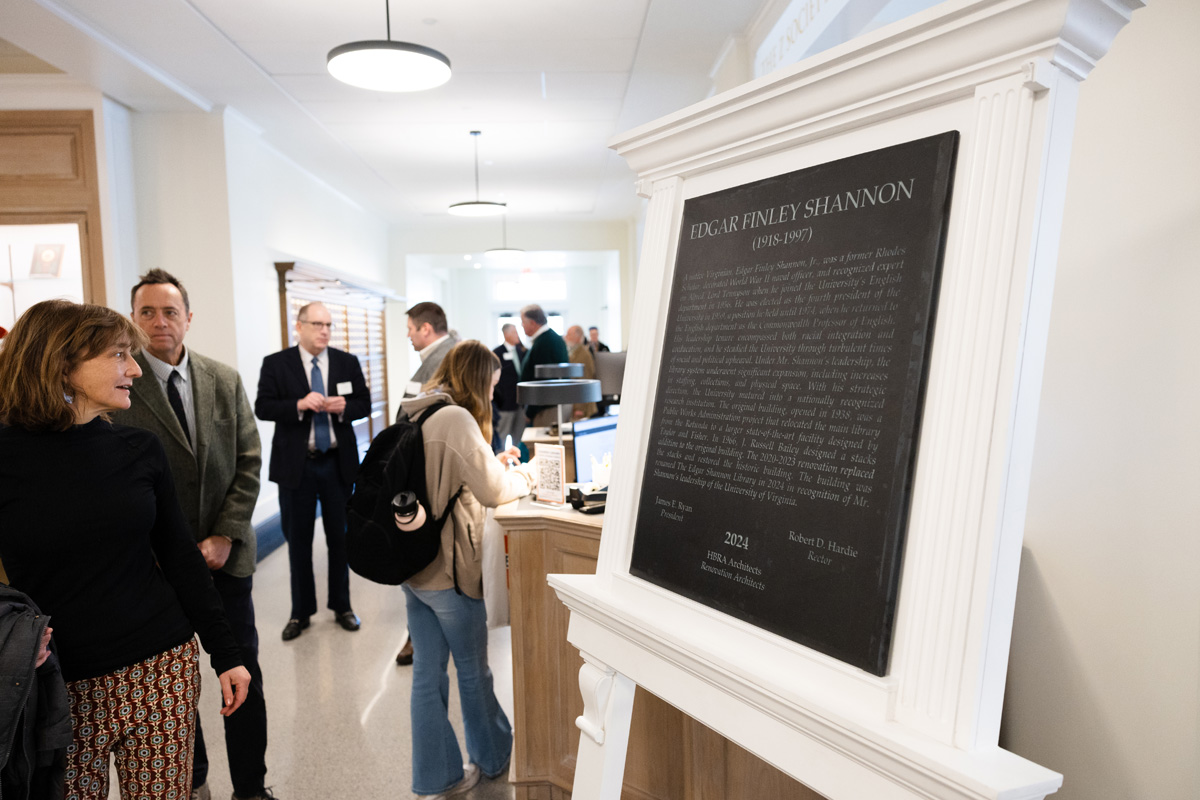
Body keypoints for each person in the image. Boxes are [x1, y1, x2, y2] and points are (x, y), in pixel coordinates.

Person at [0, 299, 251, 800]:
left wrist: (226, 653)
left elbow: (180, 558)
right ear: (62, 363)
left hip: (160, 667)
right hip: (56, 683)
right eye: (119, 355)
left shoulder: (138, 449)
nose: (135, 368)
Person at [113, 269, 274, 800]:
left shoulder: (222, 379)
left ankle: (251, 787)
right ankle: (194, 782)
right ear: (133, 319)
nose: (160, 322)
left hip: (226, 561)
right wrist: (166, 551)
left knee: (242, 670)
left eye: (170, 311)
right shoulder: (120, 387)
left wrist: (227, 534)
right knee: (177, 684)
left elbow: (249, 461)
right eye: (147, 312)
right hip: (156, 569)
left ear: (188, 317)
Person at [399, 341, 535, 798]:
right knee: (474, 670)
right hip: (450, 573)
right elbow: (497, 493)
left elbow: (447, 477)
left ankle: (437, 777)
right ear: (479, 380)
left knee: (427, 674)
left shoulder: (419, 407)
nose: (494, 395)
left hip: (415, 570)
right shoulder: (457, 417)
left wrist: (487, 466)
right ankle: (494, 759)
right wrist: (529, 476)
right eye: (493, 386)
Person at [255, 301, 370, 641]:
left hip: (337, 464)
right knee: (298, 542)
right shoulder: (277, 364)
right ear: (300, 326)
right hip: (297, 467)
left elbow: (364, 402)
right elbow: (263, 407)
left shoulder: (346, 362)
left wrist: (345, 406)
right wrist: (299, 405)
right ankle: (300, 613)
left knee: (341, 539)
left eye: (329, 325)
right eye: (317, 324)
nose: (324, 331)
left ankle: (343, 606)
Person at [518, 304, 568, 426]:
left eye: (523, 322)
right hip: (548, 406)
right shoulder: (549, 338)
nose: (522, 325)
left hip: (547, 409)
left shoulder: (545, 342)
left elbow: (544, 380)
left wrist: (530, 412)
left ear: (532, 323)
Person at [402, 301, 458, 402]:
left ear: (425, 329)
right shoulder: (448, 351)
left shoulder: (445, 358)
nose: (408, 335)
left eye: (410, 329)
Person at [492, 322, 528, 447]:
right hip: (505, 405)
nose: (517, 335)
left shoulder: (521, 352)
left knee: (519, 438)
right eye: (514, 332)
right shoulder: (497, 353)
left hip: (520, 404)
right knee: (502, 436)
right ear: (506, 334)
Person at [563, 325, 598, 419]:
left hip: (582, 407)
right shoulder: (574, 353)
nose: (566, 337)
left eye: (569, 334)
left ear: (577, 337)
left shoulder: (583, 355)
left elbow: (585, 381)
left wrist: (580, 408)